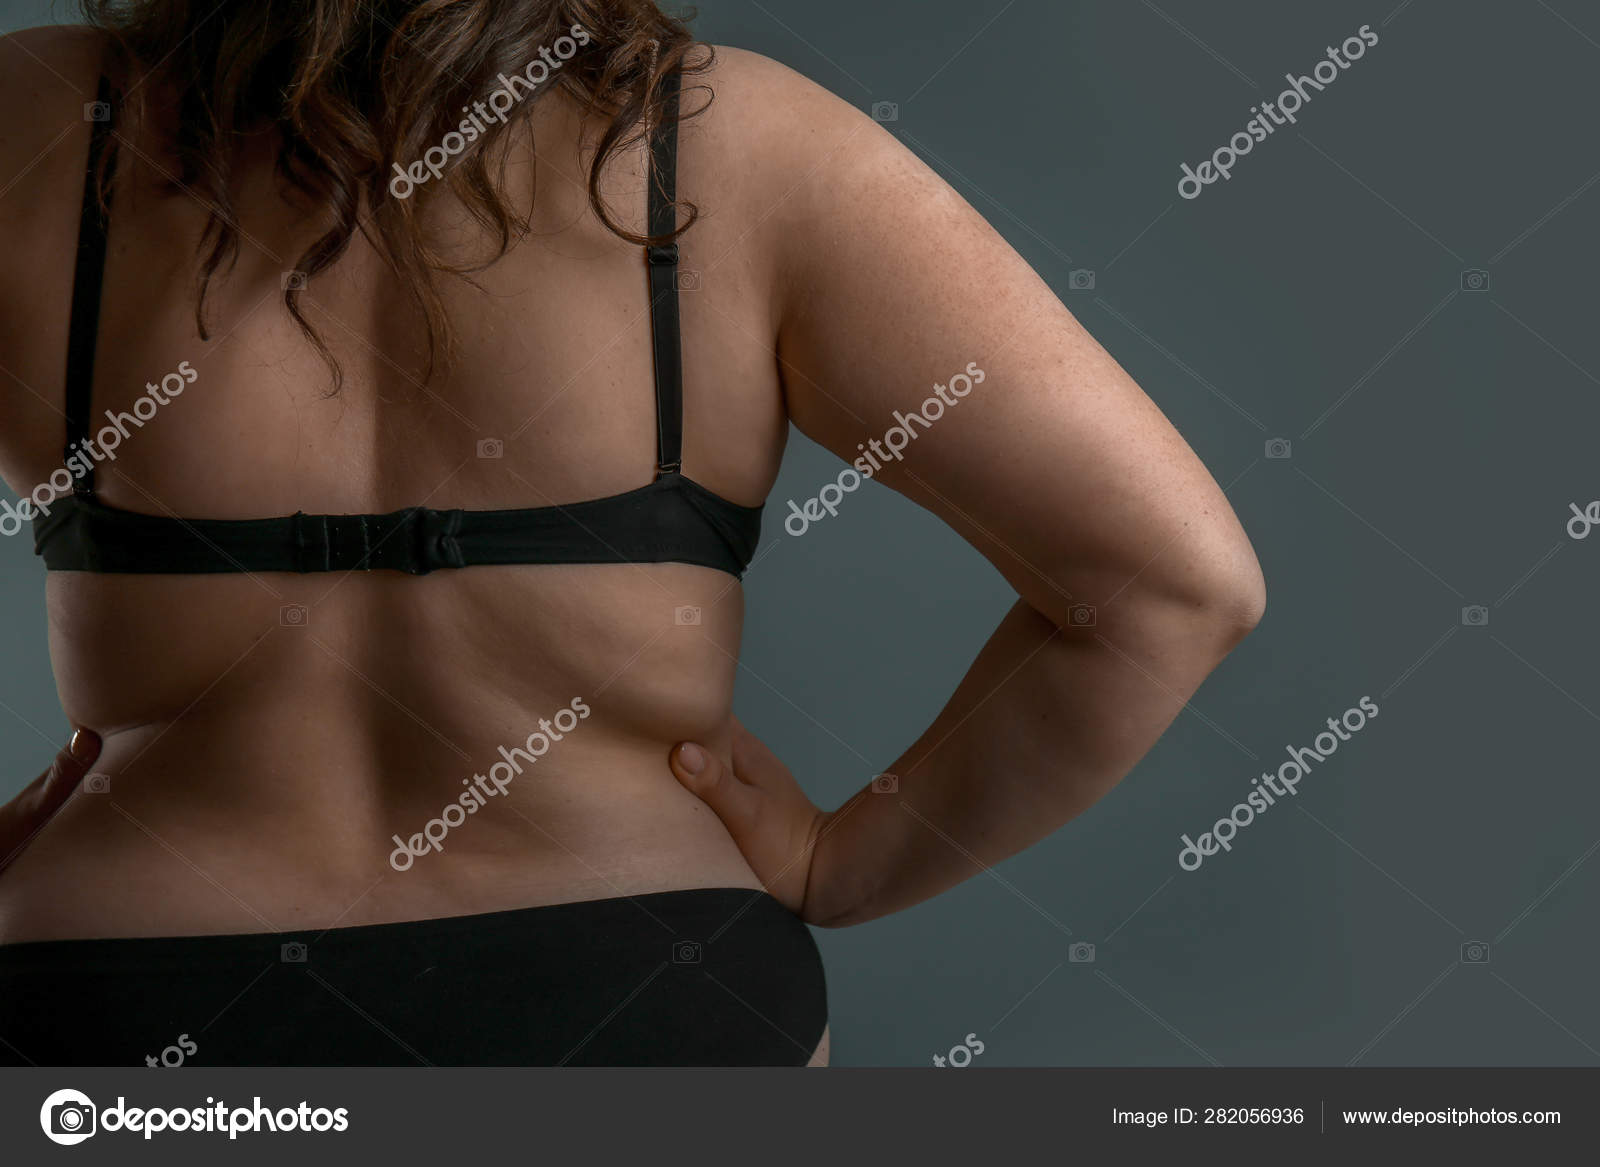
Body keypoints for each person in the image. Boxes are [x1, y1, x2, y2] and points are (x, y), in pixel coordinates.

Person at [0, 1, 1264, 1066]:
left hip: (123, 998)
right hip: (644, 993)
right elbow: (1170, 586)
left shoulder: (39, 124)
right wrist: (843, 865)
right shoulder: (733, 145)